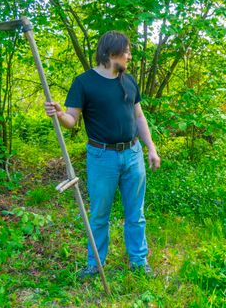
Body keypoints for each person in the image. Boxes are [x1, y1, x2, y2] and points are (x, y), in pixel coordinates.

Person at [44, 31, 161, 278]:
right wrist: (58, 112)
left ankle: (139, 262)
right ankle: (95, 264)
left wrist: (151, 148)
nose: (129, 55)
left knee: (136, 213)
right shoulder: (84, 82)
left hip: (132, 154)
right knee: (99, 214)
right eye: (126, 51)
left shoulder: (128, 81)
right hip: (101, 157)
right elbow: (71, 119)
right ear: (111, 53)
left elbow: (139, 116)